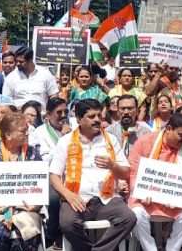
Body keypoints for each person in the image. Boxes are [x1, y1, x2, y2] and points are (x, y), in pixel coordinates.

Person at [49, 99, 136, 251]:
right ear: (78, 119)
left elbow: (126, 172)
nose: (97, 120)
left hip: (107, 198)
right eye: (91, 116)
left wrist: (112, 165)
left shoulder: (110, 140)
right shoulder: (66, 141)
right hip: (77, 198)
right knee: (67, 224)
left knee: (128, 218)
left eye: (99, 116)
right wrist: (68, 195)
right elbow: (54, 176)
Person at [129, 113, 182, 251]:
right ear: (168, 128)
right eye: (181, 135)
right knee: (136, 214)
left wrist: (179, 198)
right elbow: (134, 172)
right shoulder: (145, 142)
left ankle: (171, 249)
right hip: (146, 199)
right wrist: (142, 192)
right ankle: (150, 248)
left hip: (175, 201)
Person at [0, 112, 43, 251]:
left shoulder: (33, 153)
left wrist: (36, 205)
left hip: (25, 209)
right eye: (23, 131)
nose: (27, 134)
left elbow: (40, 185)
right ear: (8, 135)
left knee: (26, 233)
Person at [31, 97, 70, 249]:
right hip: (49, 176)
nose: (63, 115)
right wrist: (63, 140)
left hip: (73, 174)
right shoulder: (38, 133)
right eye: (58, 112)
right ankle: (53, 235)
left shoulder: (74, 128)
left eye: (65, 111)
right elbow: (43, 159)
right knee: (54, 198)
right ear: (47, 115)